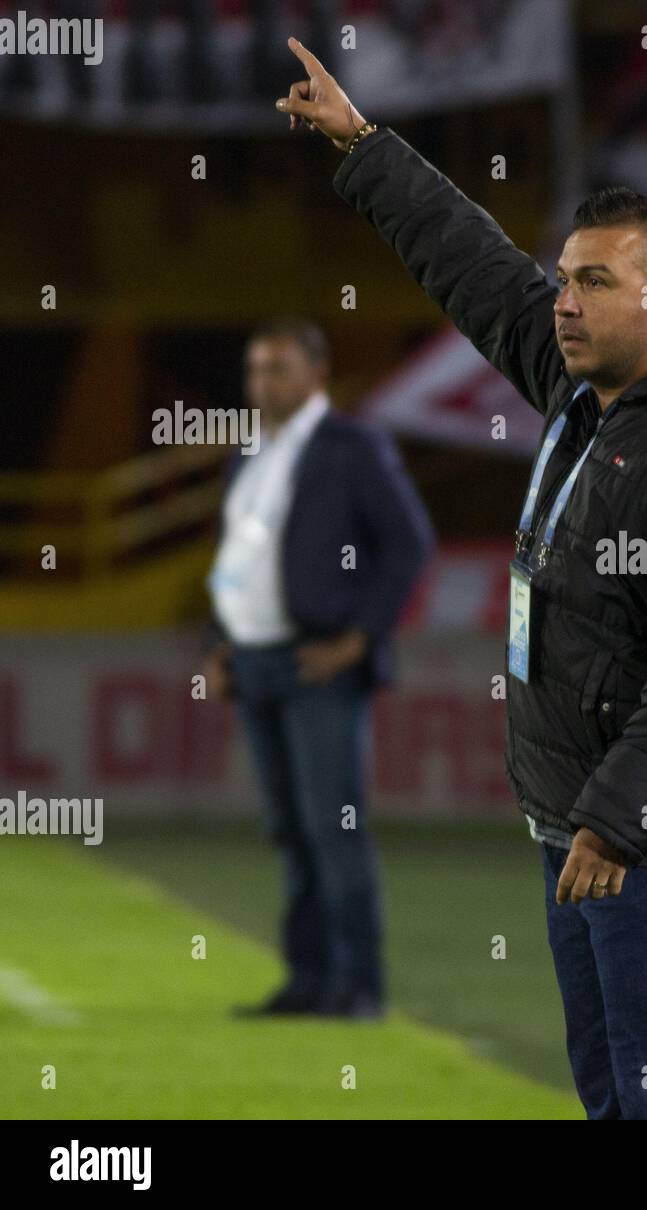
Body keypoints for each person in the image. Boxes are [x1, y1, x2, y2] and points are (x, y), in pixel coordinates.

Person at [275, 37, 647, 1115]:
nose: (560, 301)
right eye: (562, 278)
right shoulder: (591, 387)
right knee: (614, 1095)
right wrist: (364, 145)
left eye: (592, 282)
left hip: (646, 842)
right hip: (579, 821)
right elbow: (470, 264)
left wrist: (614, 821)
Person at [204, 316, 433, 1019]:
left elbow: (408, 545)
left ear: (316, 374)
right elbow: (240, 557)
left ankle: (358, 986)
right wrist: (225, 642)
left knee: (335, 830)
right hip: (256, 664)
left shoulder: (353, 446)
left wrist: (359, 638)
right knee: (291, 830)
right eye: (254, 369)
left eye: (276, 368)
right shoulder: (249, 452)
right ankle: (307, 982)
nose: (261, 383)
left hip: (317, 665)